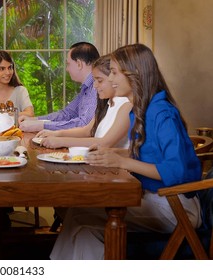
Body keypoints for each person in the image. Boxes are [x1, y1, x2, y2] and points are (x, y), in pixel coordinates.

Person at [49, 43, 202, 260]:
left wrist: (122, 162)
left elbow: (175, 171)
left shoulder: (162, 113)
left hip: (176, 207)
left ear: (135, 74)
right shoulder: (142, 109)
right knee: (77, 214)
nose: (110, 79)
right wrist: (114, 156)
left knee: (82, 220)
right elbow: (146, 156)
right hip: (155, 199)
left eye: (113, 72)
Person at [35, 54, 132, 149]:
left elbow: (105, 143)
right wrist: (56, 134)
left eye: (100, 80)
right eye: (94, 80)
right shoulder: (108, 103)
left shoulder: (126, 105)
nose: (94, 85)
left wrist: (62, 141)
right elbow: (87, 131)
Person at [19, 42, 100, 132]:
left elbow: (83, 124)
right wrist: (35, 120)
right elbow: (67, 114)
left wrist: (41, 125)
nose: (67, 69)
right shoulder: (86, 88)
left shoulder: (96, 88)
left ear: (79, 64)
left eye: (68, 64)